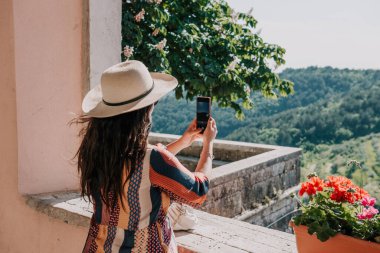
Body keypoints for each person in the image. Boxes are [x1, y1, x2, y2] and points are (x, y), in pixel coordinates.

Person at [75, 60, 217, 252]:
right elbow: (198, 192)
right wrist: (208, 145)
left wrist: (184, 141)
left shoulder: (94, 151)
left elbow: (141, 169)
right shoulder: (154, 159)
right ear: (143, 112)